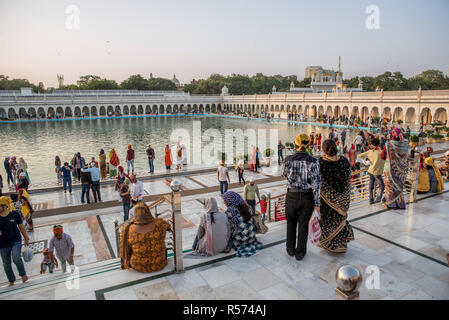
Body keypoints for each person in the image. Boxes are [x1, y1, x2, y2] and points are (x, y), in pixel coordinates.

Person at [282, 133, 321, 260]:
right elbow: (317, 184)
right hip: (307, 196)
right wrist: (317, 203)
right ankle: (300, 253)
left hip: (291, 195)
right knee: (303, 225)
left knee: (291, 222)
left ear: (295, 145)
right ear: (308, 145)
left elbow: (284, 175)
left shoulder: (288, 159)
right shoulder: (314, 161)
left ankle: (290, 249)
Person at [318, 139, 354, 253]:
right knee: (339, 220)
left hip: (326, 200)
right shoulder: (344, 161)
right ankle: (341, 244)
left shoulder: (320, 163)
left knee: (328, 222)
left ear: (324, 150)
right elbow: (348, 179)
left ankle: (330, 245)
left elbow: (317, 182)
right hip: (343, 199)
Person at [120, 202, 171, 272]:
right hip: (160, 263)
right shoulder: (160, 223)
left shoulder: (128, 229)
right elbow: (168, 226)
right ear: (148, 211)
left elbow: (125, 250)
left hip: (138, 266)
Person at [222, 191, 262, 257]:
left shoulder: (229, 212)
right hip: (251, 237)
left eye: (225, 201)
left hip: (239, 241)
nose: (224, 202)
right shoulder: (247, 207)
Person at [0, 196, 30, 286]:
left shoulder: (14, 214)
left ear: (5, 206)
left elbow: (21, 226)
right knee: (6, 264)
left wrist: (26, 238)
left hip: (15, 240)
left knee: (16, 258)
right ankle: (11, 280)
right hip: (2, 244)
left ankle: (23, 275)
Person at [381, 128, 409, 209]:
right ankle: (400, 204)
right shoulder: (405, 145)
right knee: (398, 187)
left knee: (390, 187)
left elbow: (382, 156)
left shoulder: (389, 145)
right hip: (401, 171)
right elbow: (405, 157)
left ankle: (391, 204)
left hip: (390, 169)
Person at [357, 138, 385, 204]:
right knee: (382, 186)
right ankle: (378, 199)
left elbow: (359, 155)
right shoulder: (381, 152)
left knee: (371, 186)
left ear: (372, 145)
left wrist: (367, 160)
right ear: (379, 144)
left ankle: (371, 200)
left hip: (370, 171)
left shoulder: (370, 152)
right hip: (377, 172)